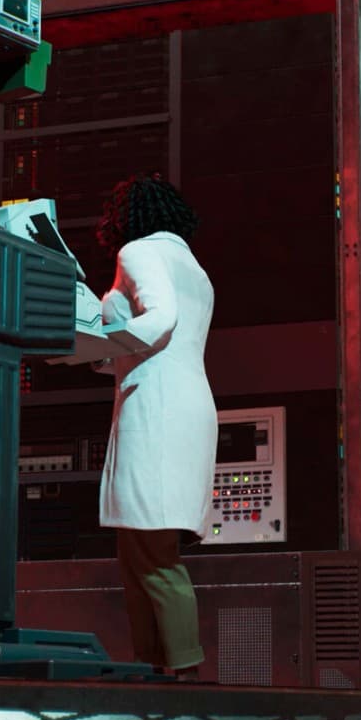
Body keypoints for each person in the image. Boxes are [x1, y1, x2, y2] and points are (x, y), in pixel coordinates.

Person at [93, 173, 216, 680]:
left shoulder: (139, 252)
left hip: (156, 410)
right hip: (187, 405)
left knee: (153, 556)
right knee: (139, 551)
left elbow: (160, 319)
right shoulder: (194, 268)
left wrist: (98, 340)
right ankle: (154, 669)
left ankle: (182, 672)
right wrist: (107, 348)